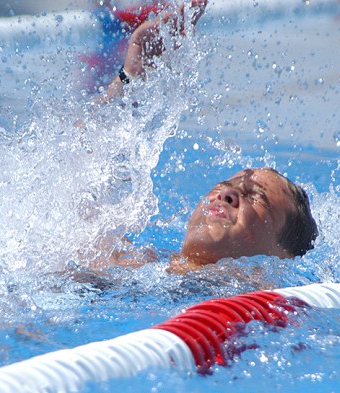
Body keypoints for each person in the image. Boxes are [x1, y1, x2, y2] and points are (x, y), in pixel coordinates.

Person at [90, 1, 318, 273]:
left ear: (282, 256)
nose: (227, 193)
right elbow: (71, 168)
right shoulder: (132, 264)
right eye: (223, 184)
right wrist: (131, 78)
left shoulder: (260, 303)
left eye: (257, 198)